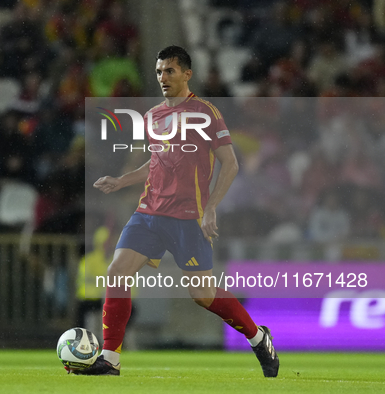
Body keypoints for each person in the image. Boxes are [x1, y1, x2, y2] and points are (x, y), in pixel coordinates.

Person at [73, 46, 279, 377]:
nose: (162, 78)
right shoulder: (153, 115)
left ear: (187, 73)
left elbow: (230, 163)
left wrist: (211, 207)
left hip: (189, 218)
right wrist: (122, 180)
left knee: (202, 295)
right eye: (158, 72)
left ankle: (258, 338)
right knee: (116, 272)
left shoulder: (206, 113)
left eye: (169, 71)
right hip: (149, 213)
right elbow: (154, 164)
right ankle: (110, 359)